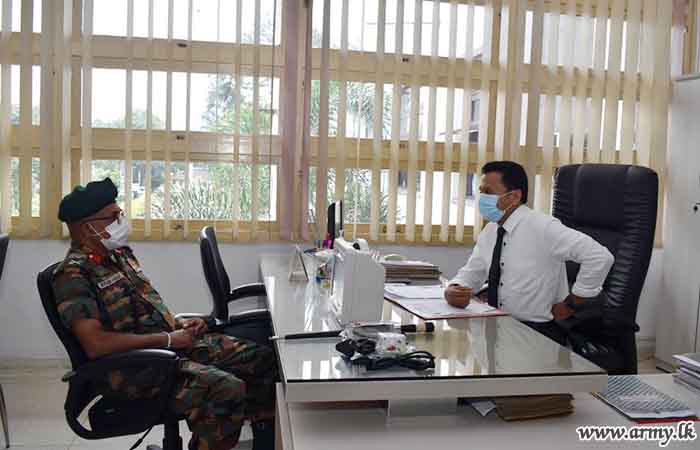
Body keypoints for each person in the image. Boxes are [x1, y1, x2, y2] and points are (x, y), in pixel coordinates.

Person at [52, 178, 277, 450]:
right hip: (133, 371)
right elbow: (96, 344)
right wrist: (169, 339)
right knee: (225, 389)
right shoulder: (73, 275)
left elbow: (145, 310)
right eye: (112, 217)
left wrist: (181, 324)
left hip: (164, 349)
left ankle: (261, 441)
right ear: (86, 227)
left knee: (263, 359)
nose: (120, 222)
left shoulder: (119, 255)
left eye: (120, 214)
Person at [445, 161, 614, 346]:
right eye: (481, 191)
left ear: (514, 196)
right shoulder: (491, 231)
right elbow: (473, 271)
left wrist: (573, 302)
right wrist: (454, 287)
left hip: (536, 331)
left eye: (488, 192)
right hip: (497, 325)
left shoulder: (543, 227)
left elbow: (599, 256)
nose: (482, 198)